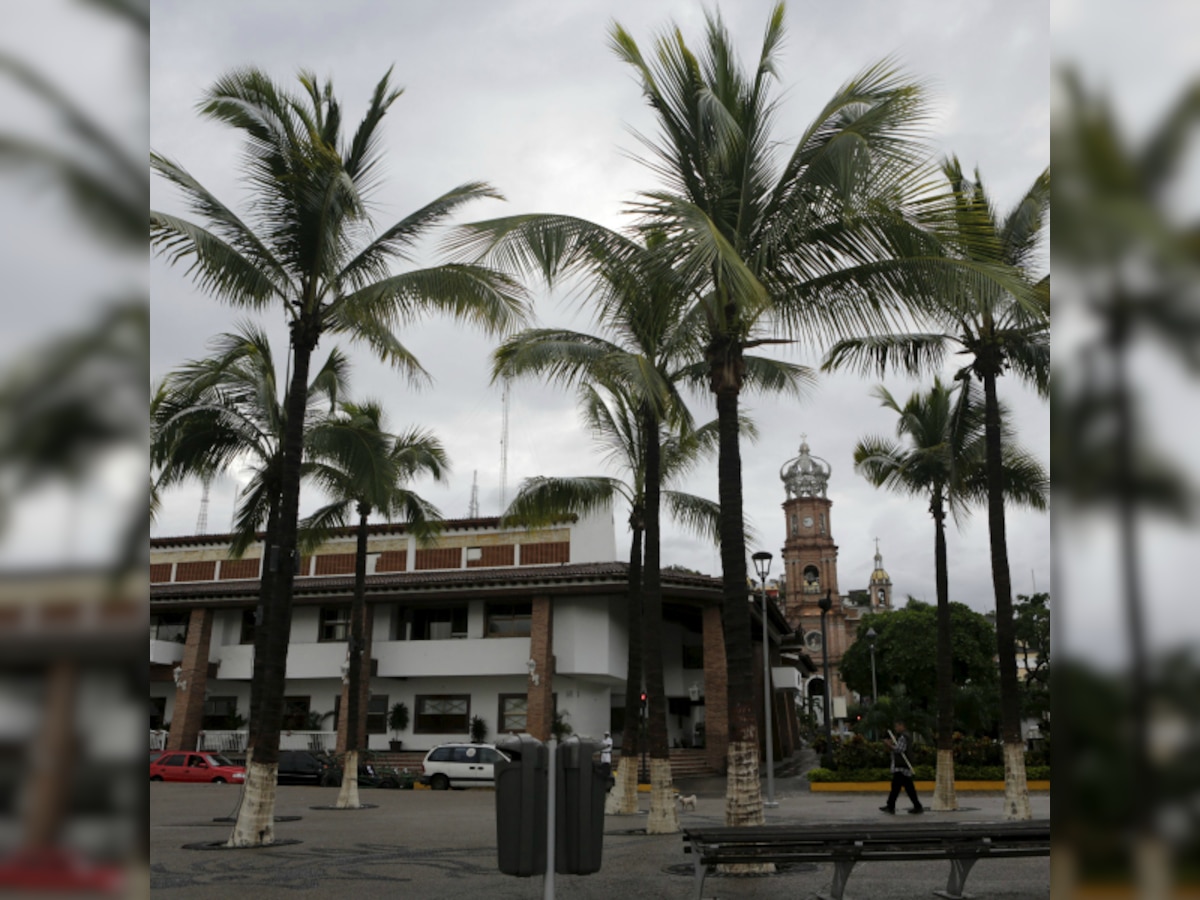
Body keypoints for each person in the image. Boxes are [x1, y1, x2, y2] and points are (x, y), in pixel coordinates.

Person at [880, 720, 924, 814]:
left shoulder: (904, 736)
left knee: (897, 787)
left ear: (902, 726)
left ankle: (891, 806)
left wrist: (889, 745)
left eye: (897, 726)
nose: (896, 728)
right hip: (902, 766)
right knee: (906, 787)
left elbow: (900, 749)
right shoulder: (904, 736)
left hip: (901, 766)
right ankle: (916, 806)